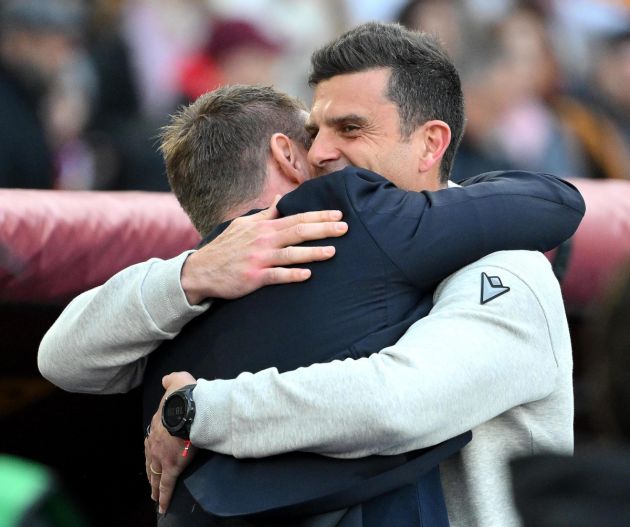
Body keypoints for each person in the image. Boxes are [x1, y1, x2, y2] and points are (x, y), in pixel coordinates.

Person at [38, 23, 583, 526]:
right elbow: (64, 358)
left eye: (350, 128)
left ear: (430, 143)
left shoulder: (508, 268)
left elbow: (399, 403)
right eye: (315, 129)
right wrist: (193, 274)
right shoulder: (259, 258)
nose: (321, 152)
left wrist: (196, 410)